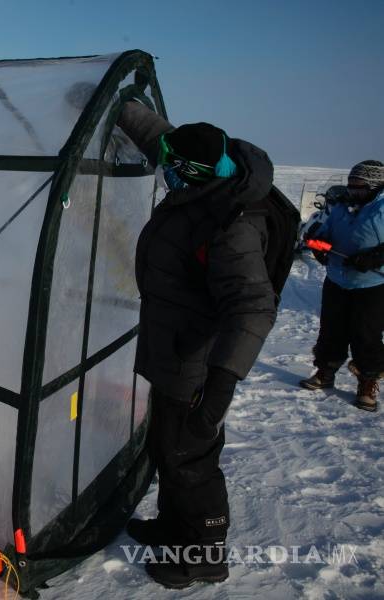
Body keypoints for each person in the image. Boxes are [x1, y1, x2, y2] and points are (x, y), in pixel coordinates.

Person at [117, 101, 278, 588]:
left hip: (197, 367)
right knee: (170, 450)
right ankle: (173, 528)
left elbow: (252, 306)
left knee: (192, 462)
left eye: (171, 166)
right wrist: (116, 104)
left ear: (187, 172)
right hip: (173, 353)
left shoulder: (229, 225)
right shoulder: (206, 176)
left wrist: (222, 383)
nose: (163, 168)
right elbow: (165, 139)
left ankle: (203, 555)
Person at [299, 160, 384, 412]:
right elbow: (323, 231)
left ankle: (367, 382)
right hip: (337, 279)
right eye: (351, 186)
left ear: (376, 186)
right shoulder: (341, 206)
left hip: (373, 284)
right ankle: (325, 371)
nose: (353, 191)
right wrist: (320, 246)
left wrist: (376, 256)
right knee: (331, 330)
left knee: (365, 334)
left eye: (360, 187)